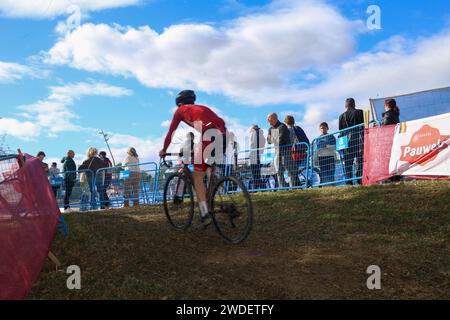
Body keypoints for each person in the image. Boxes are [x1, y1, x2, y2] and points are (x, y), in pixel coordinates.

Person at [159, 90, 227, 227]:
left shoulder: (180, 111)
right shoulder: (200, 108)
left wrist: (164, 150)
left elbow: (171, 132)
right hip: (223, 134)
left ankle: (204, 213)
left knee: (197, 177)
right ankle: (212, 197)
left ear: (179, 103)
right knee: (208, 170)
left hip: (209, 135)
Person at [338, 98, 364, 185]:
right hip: (358, 140)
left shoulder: (341, 116)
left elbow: (340, 130)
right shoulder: (359, 112)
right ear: (354, 104)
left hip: (346, 142)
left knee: (348, 163)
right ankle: (359, 178)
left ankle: (348, 181)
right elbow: (363, 126)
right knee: (360, 160)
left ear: (346, 105)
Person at [267, 113, 296, 188]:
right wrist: (273, 139)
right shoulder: (270, 129)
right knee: (279, 172)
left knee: (290, 171)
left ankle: (292, 188)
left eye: (269, 119)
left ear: (274, 118)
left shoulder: (282, 126)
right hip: (277, 152)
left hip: (286, 152)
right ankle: (282, 189)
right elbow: (268, 141)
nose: (267, 121)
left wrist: (272, 138)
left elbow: (280, 140)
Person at [284, 115, 310, 187]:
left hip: (294, 153)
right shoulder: (298, 128)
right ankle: (297, 186)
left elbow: (289, 141)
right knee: (294, 171)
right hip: (303, 151)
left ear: (285, 122)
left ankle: (295, 186)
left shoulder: (288, 130)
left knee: (291, 171)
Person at [249, 125, 266, 190]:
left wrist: (251, 151)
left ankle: (255, 189)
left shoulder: (254, 132)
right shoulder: (261, 134)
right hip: (259, 155)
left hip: (253, 154)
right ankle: (262, 188)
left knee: (254, 174)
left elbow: (253, 143)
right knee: (257, 174)